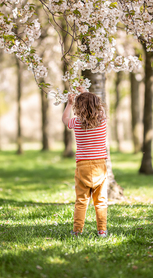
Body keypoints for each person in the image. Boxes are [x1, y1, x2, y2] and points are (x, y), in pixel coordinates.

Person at [62, 86, 108, 238]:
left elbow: (64, 119)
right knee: (100, 201)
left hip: (82, 166)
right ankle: (102, 230)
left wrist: (69, 103)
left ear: (78, 107)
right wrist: (85, 93)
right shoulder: (102, 120)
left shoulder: (76, 122)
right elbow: (98, 108)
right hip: (100, 165)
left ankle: (77, 231)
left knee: (81, 201)